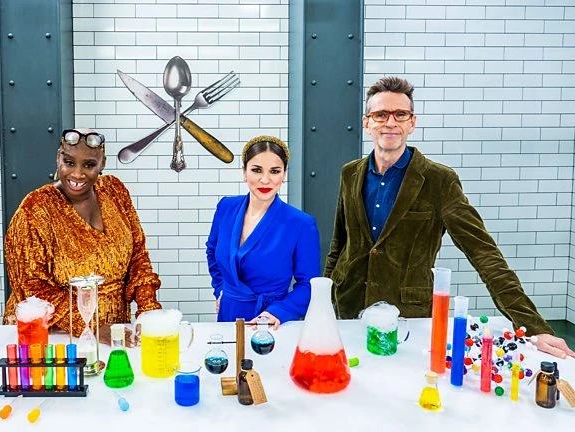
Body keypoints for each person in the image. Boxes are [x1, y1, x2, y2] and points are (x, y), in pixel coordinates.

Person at [325, 76, 575, 359]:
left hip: (407, 314)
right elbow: (339, 244)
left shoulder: (439, 181)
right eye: (381, 114)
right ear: (367, 122)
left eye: (400, 114)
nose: (390, 122)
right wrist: (322, 302)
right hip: (348, 305)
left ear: (412, 122)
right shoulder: (351, 173)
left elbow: (484, 253)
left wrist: (533, 326)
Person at [3, 128, 161, 345]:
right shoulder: (35, 209)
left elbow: (138, 256)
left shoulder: (114, 191)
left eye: (89, 165)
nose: (77, 174)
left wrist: (148, 309)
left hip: (115, 333)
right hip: (52, 337)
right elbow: (32, 287)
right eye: (69, 162)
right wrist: (92, 326)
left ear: (102, 163)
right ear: (58, 158)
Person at [206, 135, 321, 329]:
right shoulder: (226, 207)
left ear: (284, 174)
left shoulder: (301, 224)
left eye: (274, 171)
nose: (265, 180)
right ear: (244, 172)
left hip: (270, 321)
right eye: (256, 170)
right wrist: (220, 289)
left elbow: (308, 285)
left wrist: (278, 312)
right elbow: (212, 251)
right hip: (228, 314)